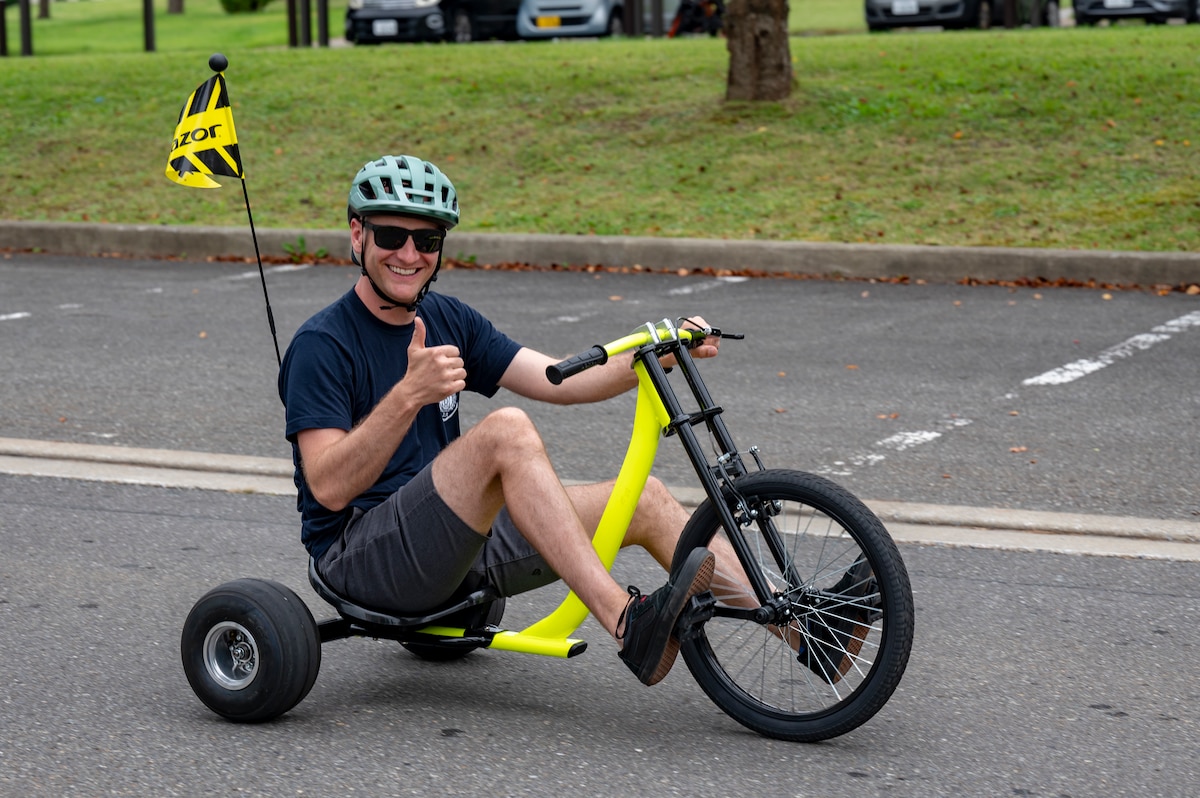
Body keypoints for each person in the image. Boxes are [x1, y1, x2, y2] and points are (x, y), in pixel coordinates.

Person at [278, 154, 725, 687]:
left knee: (645, 499)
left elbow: (559, 377)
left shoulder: (447, 318)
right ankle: (628, 622)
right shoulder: (321, 344)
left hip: (451, 545)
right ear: (358, 235)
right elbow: (326, 486)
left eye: (427, 241)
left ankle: (812, 627)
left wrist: (660, 348)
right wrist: (407, 396)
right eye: (392, 235)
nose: (408, 254)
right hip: (362, 558)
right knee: (505, 431)